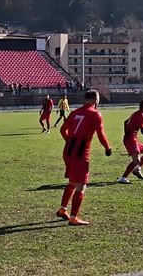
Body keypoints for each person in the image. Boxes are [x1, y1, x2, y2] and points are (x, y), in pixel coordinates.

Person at [57, 90, 112, 226]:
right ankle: (73, 218)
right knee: (81, 185)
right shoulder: (95, 114)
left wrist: (70, 141)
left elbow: (63, 130)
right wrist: (107, 148)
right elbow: (101, 134)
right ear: (95, 100)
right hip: (81, 153)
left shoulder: (75, 112)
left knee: (72, 182)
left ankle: (62, 210)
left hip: (68, 151)